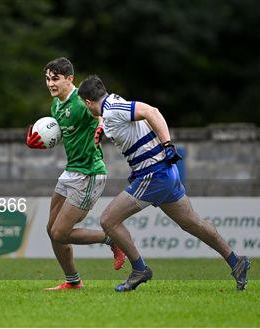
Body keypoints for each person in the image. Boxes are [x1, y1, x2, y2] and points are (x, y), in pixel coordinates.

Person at [77, 75, 251, 292]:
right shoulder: (112, 104)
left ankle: (140, 269)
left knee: (108, 220)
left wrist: (168, 143)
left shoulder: (112, 109)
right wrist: (102, 127)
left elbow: (152, 112)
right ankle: (236, 261)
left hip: (153, 174)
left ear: (88, 103)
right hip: (165, 172)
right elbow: (117, 119)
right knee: (193, 223)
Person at [26, 58, 125, 290]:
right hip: (71, 171)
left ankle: (112, 239)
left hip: (90, 173)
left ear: (69, 78)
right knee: (52, 230)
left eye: (55, 79)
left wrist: (101, 124)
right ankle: (73, 282)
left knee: (61, 232)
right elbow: (61, 133)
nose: (50, 84)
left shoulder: (81, 101)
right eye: (48, 79)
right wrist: (41, 140)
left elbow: (100, 111)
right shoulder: (56, 105)